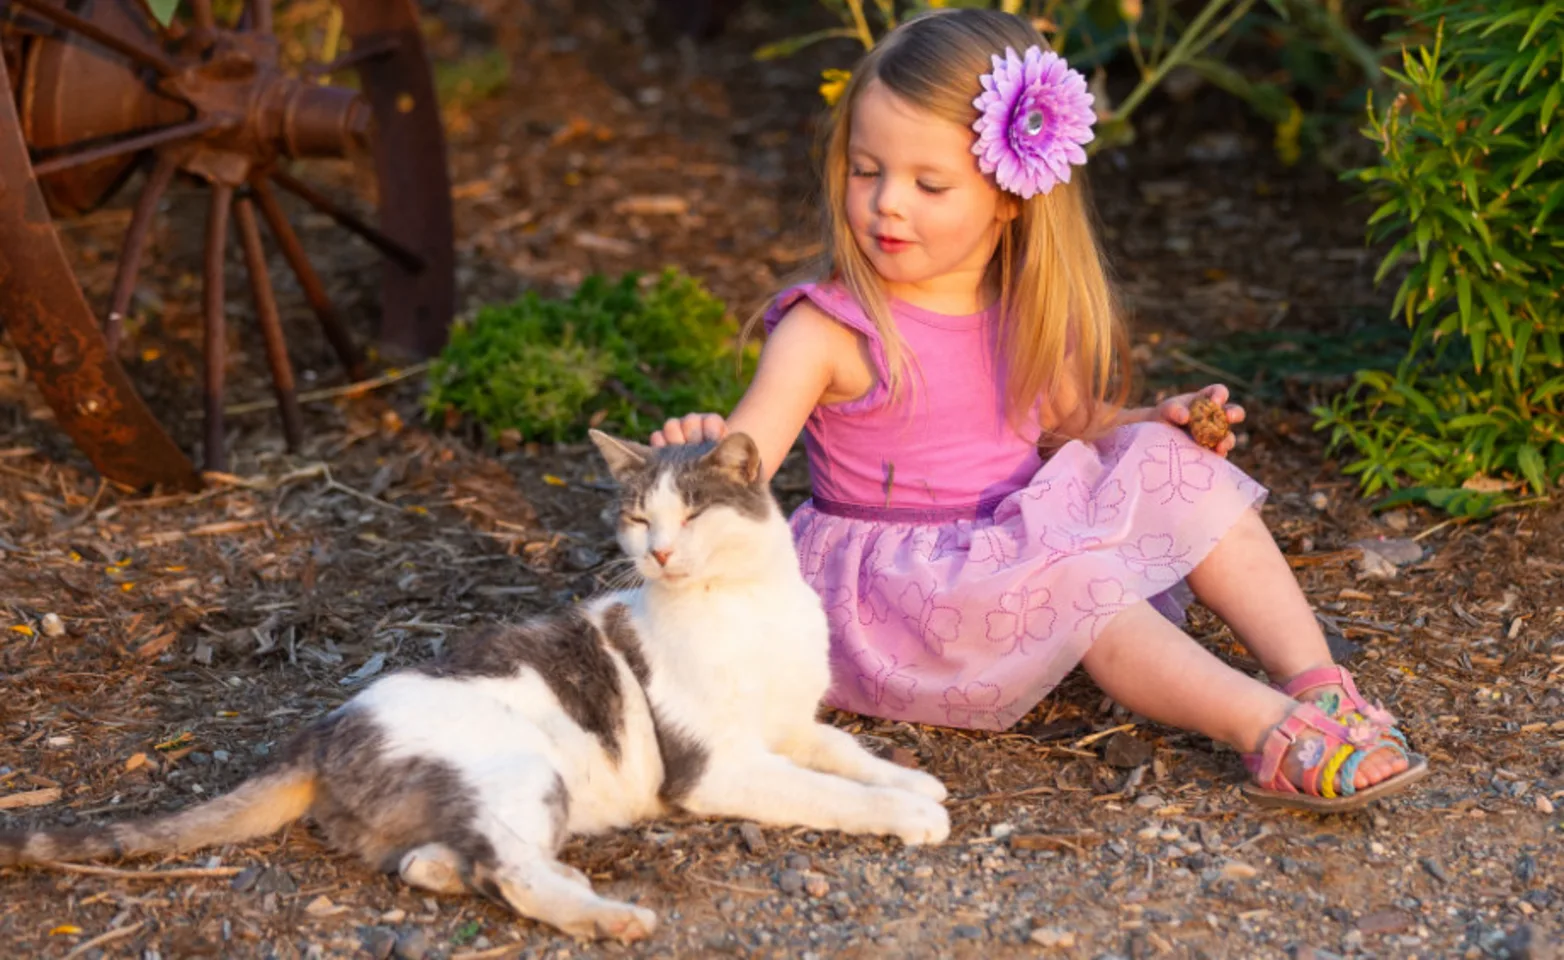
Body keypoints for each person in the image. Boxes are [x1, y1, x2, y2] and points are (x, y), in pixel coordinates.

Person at [650, 8, 1427, 810]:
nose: (888, 204)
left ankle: (1318, 683)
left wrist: (1161, 418)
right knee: (1074, 572)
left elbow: (1071, 424)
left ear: (1011, 197)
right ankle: (1266, 728)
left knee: (1172, 464)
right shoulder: (830, 329)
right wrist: (698, 455)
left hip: (1010, 548)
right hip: (896, 596)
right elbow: (746, 465)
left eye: (928, 183)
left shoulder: (1019, 307)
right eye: (865, 169)